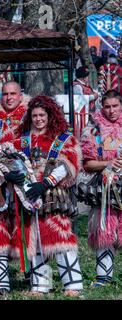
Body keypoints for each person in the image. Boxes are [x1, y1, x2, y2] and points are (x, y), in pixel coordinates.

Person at [11, 95, 84, 296]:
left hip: (54, 195)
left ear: (50, 115)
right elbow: (11, 161)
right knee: (34, 238)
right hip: (28, 197)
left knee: (60, 237)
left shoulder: (63, 138)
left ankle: (73, 284)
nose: (38, 119)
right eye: (34, 115)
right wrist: (13, 174)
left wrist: (45, 183)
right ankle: (40, 284)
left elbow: (68, 164)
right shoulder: (21, 139)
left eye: (42, 115)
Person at [0, 81, 31, 294]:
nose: (9, 98)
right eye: (5, 94)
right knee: (0, 230)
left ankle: (35, 279)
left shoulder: (30, 117)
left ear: (21, 94)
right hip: (0, 185)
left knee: (28, 229)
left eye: (13, 93)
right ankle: (1, 282)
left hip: (26, 183)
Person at [80, 90, 122, 287]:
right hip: (105, 189)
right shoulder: (93, 130)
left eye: (115, 106)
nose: (111, 110)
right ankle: (103, 276)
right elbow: (87, 164)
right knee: (105, 230)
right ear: (101, 107)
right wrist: (108, 164)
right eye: (107, 106)